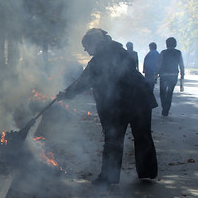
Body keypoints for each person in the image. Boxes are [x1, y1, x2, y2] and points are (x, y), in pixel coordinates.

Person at [59, 28, 158, 185]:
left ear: (94, 44)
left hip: (121, 104)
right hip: (141, 99)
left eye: (86, 46)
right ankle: (147, 173)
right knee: (143, 136)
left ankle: (108, 178)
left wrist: (66, 94)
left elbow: (83, 81)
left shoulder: (99, 60)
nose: (85, 50)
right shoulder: (120, 51)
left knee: (113, 139)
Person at [156, 37, 185, 116]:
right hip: (173, 75)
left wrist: (156, 74)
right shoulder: (178, 52)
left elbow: (159, 64)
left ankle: (164, 107)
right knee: (170, 93)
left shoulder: (163, 52)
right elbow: (181, 64)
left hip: (164, 75)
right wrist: (182, 75)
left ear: (166, 44)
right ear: (175, 44)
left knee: (162, 92)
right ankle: (166, 109)